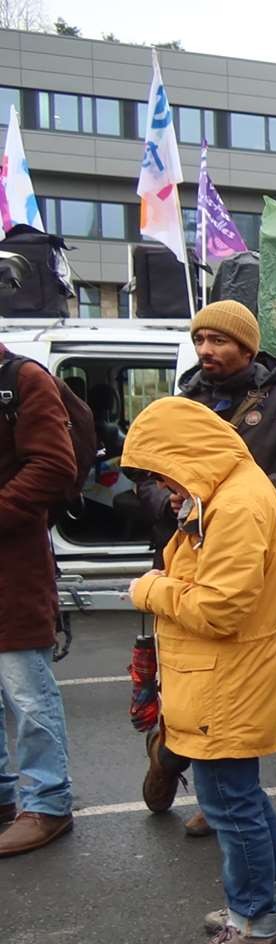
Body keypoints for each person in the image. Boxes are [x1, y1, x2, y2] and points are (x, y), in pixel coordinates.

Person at [137, 300, 276, 839]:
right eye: (200, 340)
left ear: (247, 347)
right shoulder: (187, 399)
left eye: (219, 341)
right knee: (181, 671)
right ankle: (177, 755)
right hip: (180, 555)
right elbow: (149, 471)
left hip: (252, 561)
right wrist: (168, 502)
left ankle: (210, 783)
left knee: (231, 683)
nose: (207, 350)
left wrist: (238, 502)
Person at [123, 397, 276, 944]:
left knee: (229, 802)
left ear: (185, 455)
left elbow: (221, 608)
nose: (162, 486)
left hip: (226, 678)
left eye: (161, 472)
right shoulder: (226, 493)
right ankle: (274, 903)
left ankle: (254, 927)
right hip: (225, 675)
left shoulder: (236, 504)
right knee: (240, 797)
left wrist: (151, 589)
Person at [0, 346, 76, 857]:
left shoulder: (23, 379)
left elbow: (54, 465)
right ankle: (7, 796)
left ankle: (47, 801)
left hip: (13, 568)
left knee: (25, 689)